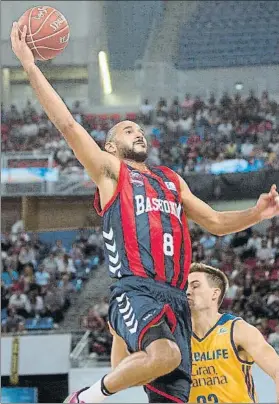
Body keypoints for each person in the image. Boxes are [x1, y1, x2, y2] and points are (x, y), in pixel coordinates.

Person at [10, 23, 279, 404]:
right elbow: (68, 125)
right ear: (110, 144)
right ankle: (87, 396)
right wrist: (30, 66)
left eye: (140, 130)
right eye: (127, 130)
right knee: (165, 354)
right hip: (135, 288)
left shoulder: (171, 179)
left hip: (174, 298)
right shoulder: (110, 172)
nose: (138, 134)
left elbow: (217, 223)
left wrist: (256, 213)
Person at [109, 263, 279, 403]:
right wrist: (118, 337)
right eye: (184, 287)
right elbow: (121, 375)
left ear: (215, 294)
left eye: (195, 286)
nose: (187, 291)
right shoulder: (169, 336)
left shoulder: (237, 330)